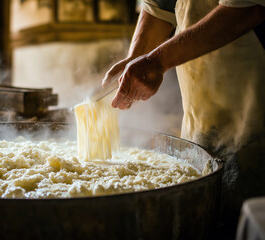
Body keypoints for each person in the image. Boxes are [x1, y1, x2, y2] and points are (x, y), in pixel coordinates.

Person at [102, 0, 265, 237]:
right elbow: (159, 6)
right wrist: (135, 59)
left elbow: (248, 7)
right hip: (202, 111)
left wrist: (157, 60)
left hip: (255, 104)